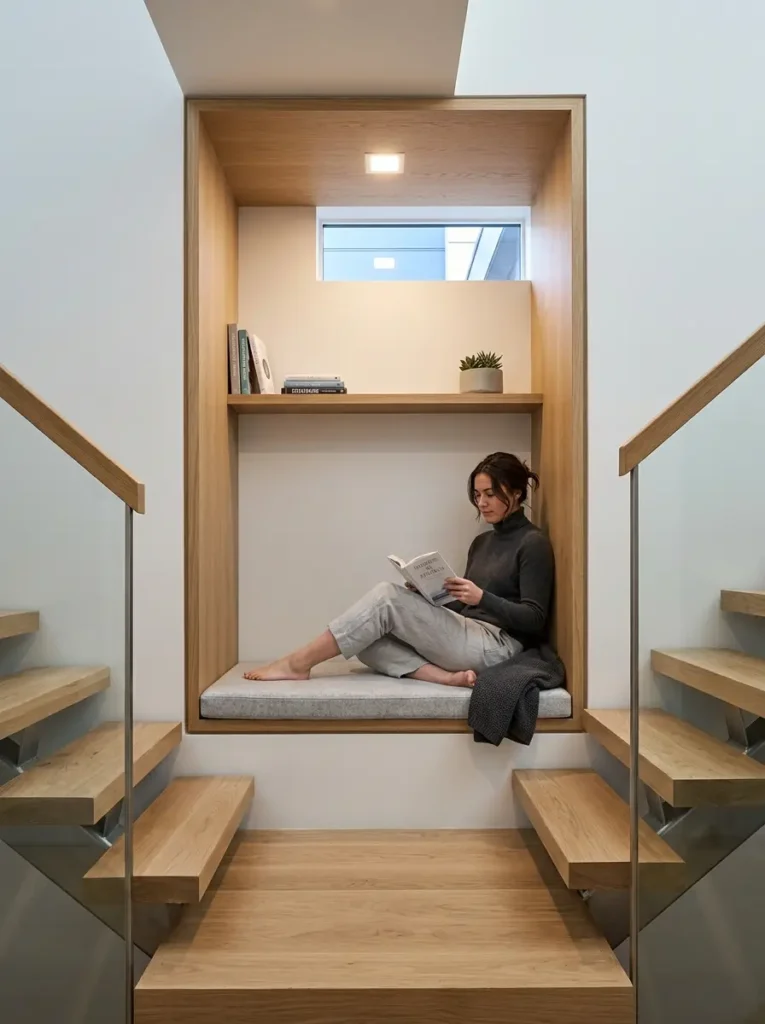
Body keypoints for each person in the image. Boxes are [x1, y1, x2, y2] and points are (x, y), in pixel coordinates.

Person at [244, 452, 554, 688]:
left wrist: (481, 597)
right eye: (477, 495)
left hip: (499, 647)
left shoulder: (532, 543)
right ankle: (447, 678)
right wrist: (430, 593)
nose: (482, 503)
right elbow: (465, 605)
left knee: (385, 598)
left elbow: (535, 620)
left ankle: (298, 663)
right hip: (468, 637)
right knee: (365, 641)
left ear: (515, 493)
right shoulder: (482, 542)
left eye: (490, 494)